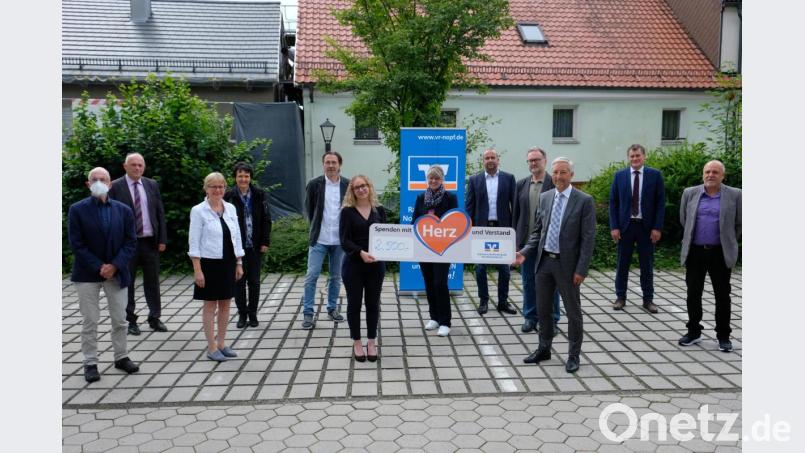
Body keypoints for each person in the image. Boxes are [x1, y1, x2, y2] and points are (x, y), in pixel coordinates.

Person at [514, 157, 596, 373]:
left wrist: (581, 269)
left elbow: (588, 240)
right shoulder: (546, 197)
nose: (559, 177)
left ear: (571, 175)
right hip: (544, 263)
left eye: (564, 172)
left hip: (568, 266)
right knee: (543, 310)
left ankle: (573, 355)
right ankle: (544, 348)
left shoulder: (584, 200)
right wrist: (524, 252)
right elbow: (538, 232)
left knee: (573, 313)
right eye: (556, 173)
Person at [68, 167, 140, 382]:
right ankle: (90, 362)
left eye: (103, 179)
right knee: (90, 320)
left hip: (117, 273)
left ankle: (121, 356)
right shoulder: (77, 210)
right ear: (88, 184)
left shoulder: (124, 210)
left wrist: (114, 266)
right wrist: (100, 265)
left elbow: (131, 242)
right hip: (87, 273)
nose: (99, 182)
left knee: (120, 319)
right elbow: (76, 244)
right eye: (94, 179)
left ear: (110, 184)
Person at [678, 160, 741, 353]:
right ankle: (693, 331)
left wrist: (729, 240)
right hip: (695, 251)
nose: (710, 175)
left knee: (722, 295)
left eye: (715, 172)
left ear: (723, 176)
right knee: (693, 293)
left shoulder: (735, 195)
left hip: (720, 253)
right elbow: (684, 220)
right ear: (702, 174)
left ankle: (723, 336)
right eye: (707, 171)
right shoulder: (690, 193)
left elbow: (739, 223)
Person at [108, 152, 168, 335]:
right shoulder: (115, 186)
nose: (137, 168)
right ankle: (130, 320)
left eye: (140, 165)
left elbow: (159, 212)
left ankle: (154, 317)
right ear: (125, 166)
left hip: (150, 241)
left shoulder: (151, 184)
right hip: (127, 244)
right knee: (128, 282)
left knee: (153, 281)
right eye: (133, 165)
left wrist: (162, 239)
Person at [188, 172, 245, 361]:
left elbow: (236, 237)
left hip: (228, 262)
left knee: (226, 304)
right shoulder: (198, 211)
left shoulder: (230, 208)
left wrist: (239, 262)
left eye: (221, 186)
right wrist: (197, 270)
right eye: (213, 186)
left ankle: (222, 343)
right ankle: (211, 347)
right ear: (206, 188)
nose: (218, 190)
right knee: (210, 306)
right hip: (209, 263)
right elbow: (194, 242)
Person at [608, 144, 666, 313]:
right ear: (628, 158)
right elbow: (613, 202)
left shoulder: (655, 176)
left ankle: (648, 300)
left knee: (646, 265)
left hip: (646, 227)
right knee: (622, 264)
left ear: (644, 156)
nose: (635, 159)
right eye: (632, 156)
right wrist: (614, 227)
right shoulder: (619, 176)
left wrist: (657, 227)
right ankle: (620, 297)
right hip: (625, 227)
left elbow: (660, 203)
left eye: (638, 156)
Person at [512, 147, 561, 334]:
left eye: (536, 160)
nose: (533, 163)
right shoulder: (521, 184)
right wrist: (516, 241)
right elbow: (516, 214)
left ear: (545, 161)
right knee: (528, 281)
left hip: (549, 243)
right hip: (526, 244)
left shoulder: (553, 182)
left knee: (551, 283)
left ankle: (552, 319)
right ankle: (530, 317)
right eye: (530, 160)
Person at [340, 175, 386, 362]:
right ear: (352, 191)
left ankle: (371, 341)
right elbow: (344, 240)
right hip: (353, 265)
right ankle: (357, 341)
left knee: (373, 304)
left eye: (364, 185)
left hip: (376, 265)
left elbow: (386, 234)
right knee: (354, 304)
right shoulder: (347, 212)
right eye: (357, 187)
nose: (361, 189)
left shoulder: (379, 210)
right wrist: (360, 252)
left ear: (370, 187)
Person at [465, 148, 517, 315]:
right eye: (487, 158)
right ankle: (483, 301)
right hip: (481, 230)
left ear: (498, 159)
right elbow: (469, 206)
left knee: (504, 269)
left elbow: (514, 205)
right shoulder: (474, 179)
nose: (490, 160)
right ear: (483, 161)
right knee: (480, 268)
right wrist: (469, 230)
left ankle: (503, 301)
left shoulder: (509, 178)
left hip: (503, 230)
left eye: (492, 157)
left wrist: (514, 229)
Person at [301, 152, 349, 329]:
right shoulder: (314, 184)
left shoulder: (347, 184)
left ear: (339, 164)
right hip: (319, 239)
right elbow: (310, 209)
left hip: (339, 240)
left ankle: (332, 308)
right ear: (323, 165)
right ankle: (308, 313)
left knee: (336, 277)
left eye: (334, 162)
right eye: (327, 162)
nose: (330, 166)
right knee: (311, 276)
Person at [224, 162, 272, 328]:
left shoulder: (259, 194)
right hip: (237, 247)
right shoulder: (229, 196)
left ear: (250, 177)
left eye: (246, 176)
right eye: (240, 176)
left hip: (255, 246)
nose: (243, 179)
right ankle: (242, 315)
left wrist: (265, 241)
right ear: (235, 178)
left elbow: (266, 219)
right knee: (239, 281)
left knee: (254, 281)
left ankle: (253, 314)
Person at [413, 165, 459, 337]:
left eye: (436, 178)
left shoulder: (450, 198)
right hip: (424, 247)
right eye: (430, 178)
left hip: (443, 248)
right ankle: (434, 317)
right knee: (429, 282)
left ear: (442, 180)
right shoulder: (420, 197)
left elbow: (455, 221)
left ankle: (445, 321)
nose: (433, 181)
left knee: (440, 283)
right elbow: (414, 222)